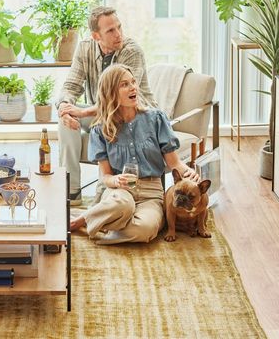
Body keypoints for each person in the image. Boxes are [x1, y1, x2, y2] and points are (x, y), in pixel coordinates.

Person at [69, 64, 199, 245]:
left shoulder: (155, 118)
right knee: (122, 205)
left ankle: (97, 224)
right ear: (111, 92)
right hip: (120, 191)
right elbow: (105, 176)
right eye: (124, 84)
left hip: (151, 194)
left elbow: (174, 162)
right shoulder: (100, 129)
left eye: (133, 82)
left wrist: (188, 172)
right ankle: (84, 220)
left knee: (144, 230)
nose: (133, 88)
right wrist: (114, 181)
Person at [56, 6, 156, 205]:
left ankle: (107, 189)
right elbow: (71, 85)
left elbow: (119, 99)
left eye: (119, 27)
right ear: (95, 35)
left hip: (133, 115)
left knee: (84, 115)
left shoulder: (131, 51)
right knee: (65, 121)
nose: (118, 34)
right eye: (110, 30)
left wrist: (83, 111)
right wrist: (65, 107)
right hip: (102, 114)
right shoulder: (85, 47)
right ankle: (72, 191)